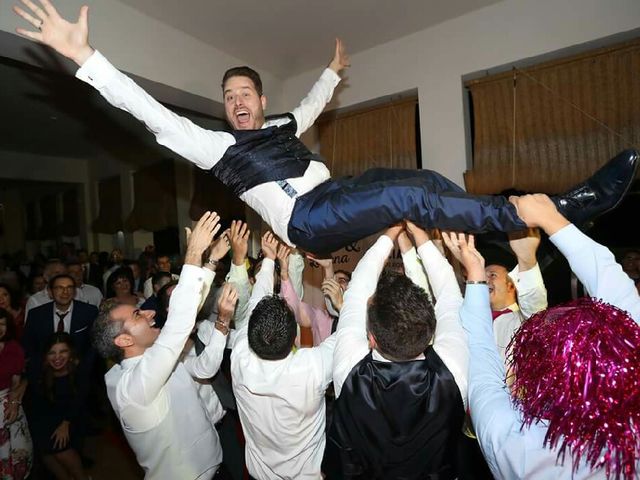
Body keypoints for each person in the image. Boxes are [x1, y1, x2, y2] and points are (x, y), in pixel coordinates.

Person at [13, 1, 639, 253]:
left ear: (258, 99)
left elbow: (308, 110)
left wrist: (333, 74)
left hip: (331, 196)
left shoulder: (280, 123)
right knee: (404, 196)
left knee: (418, 177)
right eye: (226, 95)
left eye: (243, 93)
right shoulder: (213, 145)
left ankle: (504, 229)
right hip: (305, 223)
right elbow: (149, 112)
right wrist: (84, 59)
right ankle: (545, 212)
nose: (235, 101)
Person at [447, 194, 640, 479]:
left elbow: (530, 309)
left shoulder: (517, 442)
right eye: (485, 274)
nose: (487, 278)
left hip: (485, 426)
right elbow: (627, 313)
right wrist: (553, 221)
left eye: (494, 275)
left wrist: (526, 259)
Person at [91, 211, 227, 479]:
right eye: (138, 315)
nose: (150, 313)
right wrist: (193, 254)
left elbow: (188, 311)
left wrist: (210, 261)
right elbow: (178, 324)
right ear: (124, 340)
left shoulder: (150, 356)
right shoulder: (131, 387)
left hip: (211, 464)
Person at [327, 222, 468, 478]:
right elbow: (449, 293)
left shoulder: (348, 368)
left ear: (371, 338)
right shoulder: (453, 370)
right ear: (430, 335)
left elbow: (357, 289)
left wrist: (390, 233)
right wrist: (420, 237)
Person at [230, 232, 336, 479]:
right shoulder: (310, 366)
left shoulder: (240, 357)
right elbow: (350, 332)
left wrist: (268, 261)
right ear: (293, 340)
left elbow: (255, 303)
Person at [29, 332, 90, 480]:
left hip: (72, 417)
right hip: (45, 418)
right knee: (45, 446)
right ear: (45, 355)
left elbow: (80, 401)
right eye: (52, 352)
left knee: (59, 447)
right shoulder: (39, 371)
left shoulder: (80, 371)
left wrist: (66, 423)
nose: (57, 357)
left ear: (70, 353)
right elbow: (36, 401)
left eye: (63, 351)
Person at [23, 274, 98, 385]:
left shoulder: (89, 312)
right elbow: (29, 345)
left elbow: (95, 344)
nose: (65, 292)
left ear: (74, 291)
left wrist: (82, 366)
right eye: (59, 288)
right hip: (44, 375)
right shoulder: (36, 314)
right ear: (50, 292)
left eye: (69, 287)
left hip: (79, 374)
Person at [0, 309, 33, 480]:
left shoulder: (13, 348)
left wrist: (13, 403)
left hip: (7, 401)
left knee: (18, 451)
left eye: (2, 324)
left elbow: (16, 382)